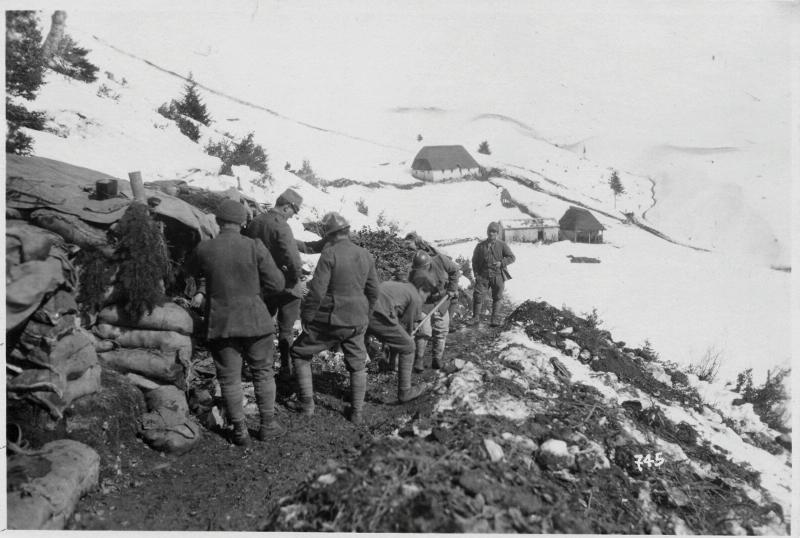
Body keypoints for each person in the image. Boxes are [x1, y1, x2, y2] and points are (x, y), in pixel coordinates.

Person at [186, 199, 286, 447]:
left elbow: (189, 272)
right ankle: (267, 426)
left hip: (221, 322)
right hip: (255, 320)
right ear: (243, 222)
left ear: (218, 221)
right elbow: (277, 284)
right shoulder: (255, 246)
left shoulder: (205, 248)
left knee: (229, 379)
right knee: (263, 373)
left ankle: (239, 431)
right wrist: (255, 292)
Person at [289, 212, 380, 425]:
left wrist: (307, 315)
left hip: (332, 319)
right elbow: (374, 290)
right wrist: (366, 314)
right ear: (347, 231)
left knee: (299, 353)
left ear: (328, 234)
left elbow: (318, 291)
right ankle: (357, 412)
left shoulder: (329, 254)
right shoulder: (365, 254)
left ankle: (307, 405)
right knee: (357, 364)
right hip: (357, 320)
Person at [244, 188, 308, 386]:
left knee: (262, 327)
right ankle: (286, 370)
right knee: (286, 331)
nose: (292, 216)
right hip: (286, 287)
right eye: (293, 212)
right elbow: (293, 259)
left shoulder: (255, 222)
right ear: (287, 207)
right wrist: (297, 280)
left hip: (262, 285)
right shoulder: (282, 226)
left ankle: (260, 366)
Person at [368, 273, 437, 403]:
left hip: (364, 307)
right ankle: (405, 391)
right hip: (377, 313)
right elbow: (407, 327)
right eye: (427, 295)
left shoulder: (400, 286)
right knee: (409, 346)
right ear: (421, 289)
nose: (425, 299)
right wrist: (408, 335)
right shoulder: (415, 297)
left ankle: (389, 365)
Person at [407, 249, 460, 372]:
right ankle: (419, 360)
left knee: (441, 330)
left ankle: (437, 359)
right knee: (423, 331)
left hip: (442, 301)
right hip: (424, 304)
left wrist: (452, 288)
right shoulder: (412, 273)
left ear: (428, 264)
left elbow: (455, 271)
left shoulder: (441, 260)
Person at [404, 232, 461, 332]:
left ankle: (447, 322)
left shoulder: (427, 250)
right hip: (425, 283)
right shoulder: (413, 256)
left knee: (453, 296)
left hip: (438, 276)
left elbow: (444, 264)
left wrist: (451, 288)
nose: (408, 248)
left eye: (409, 245)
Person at [471, 221, 515, 327]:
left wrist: (502, 263)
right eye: (490, 231)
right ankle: (475, 317)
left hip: (498, 275)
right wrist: (476, 274)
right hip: (483, 276)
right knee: (478, 295)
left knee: (497, 297)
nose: (492, 234)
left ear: (497, 233)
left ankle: (494, 318)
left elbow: (512, 257)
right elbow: (474, 261)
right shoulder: (480, 246)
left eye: (494, 232)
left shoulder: (502, 245)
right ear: (487, 232)